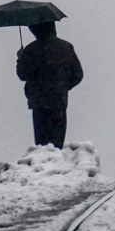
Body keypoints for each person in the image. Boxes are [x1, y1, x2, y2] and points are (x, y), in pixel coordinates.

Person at [16, 21, 83, 149]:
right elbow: (78, 75)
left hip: (38, 103)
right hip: (59, 101)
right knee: (57, 142)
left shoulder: (31, 50)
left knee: (41, 144)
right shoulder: (66, 47)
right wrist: (62, 87)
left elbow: (23, 75)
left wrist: (21, 58)